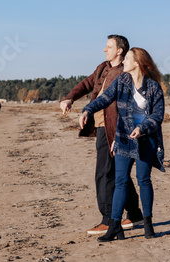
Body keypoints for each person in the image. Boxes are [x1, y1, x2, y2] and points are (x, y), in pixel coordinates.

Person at [60, 34, 143, 235]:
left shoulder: (126, 72)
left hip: (115, 127)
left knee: (104, 172)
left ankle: (107, 219)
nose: (104, 49)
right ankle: (134, 212)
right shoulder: (103, 67)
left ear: (119, 50)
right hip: (100, 125)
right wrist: (70, 98)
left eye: (108, 46)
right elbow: (87, 83)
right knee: (116, 171)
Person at [79, 47, 165, 241]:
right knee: (120, 181)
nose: (123, 61)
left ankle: (148, 224)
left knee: (144, 180)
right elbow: (104, 99)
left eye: (127, 58)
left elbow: (157, 116)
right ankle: (115, 226)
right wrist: (87, 110)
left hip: (146, 139)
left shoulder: (153, 87)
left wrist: (142, 128)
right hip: (124, 139)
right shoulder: (122, 81)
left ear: (137, 63)